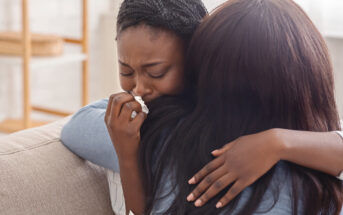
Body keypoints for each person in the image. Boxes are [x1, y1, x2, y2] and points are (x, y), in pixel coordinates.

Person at [61, 0, 343, 214]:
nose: (139, 90)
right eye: (126, 71)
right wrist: (280, 142)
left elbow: (76, 127)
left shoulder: (165, 136)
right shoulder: (323, 180)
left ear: (198, 70)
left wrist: (276, 142)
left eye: (157, 72)